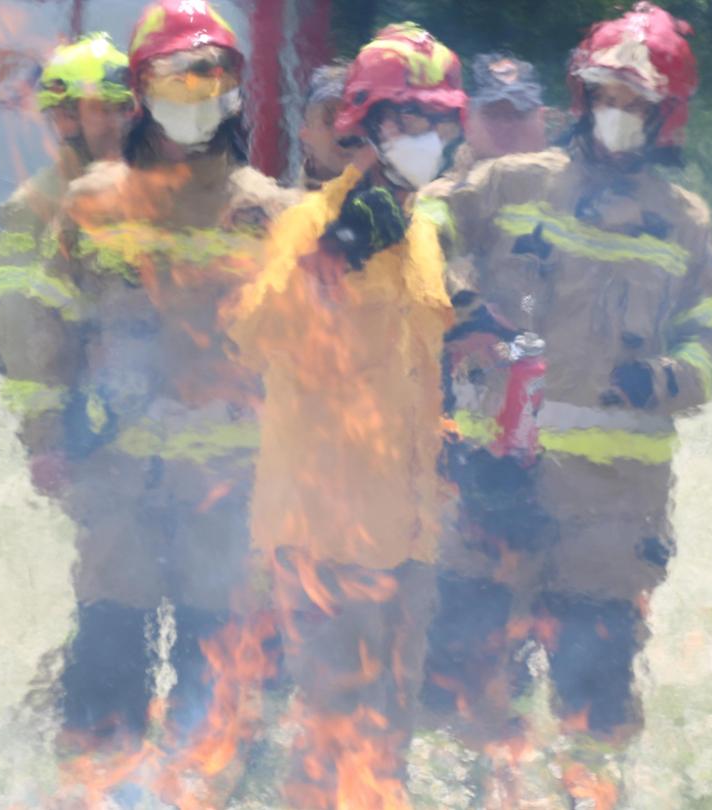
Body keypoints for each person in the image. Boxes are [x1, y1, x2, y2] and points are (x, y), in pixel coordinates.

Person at [417, 4, 712, 802]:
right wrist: (461, 304)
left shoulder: (686, 222)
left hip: (612, 516)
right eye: (606, 95)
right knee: (466, 686)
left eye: (637, 103)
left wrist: (666, 380)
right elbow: (423, 224)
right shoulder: (510, 182)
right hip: (495, 486)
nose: (618, 115)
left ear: (666, 114)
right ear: (581, 93)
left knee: (592, 704)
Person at [35, 0, 295, 773]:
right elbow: (51, 333)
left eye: (212, 76)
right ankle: (93, 779)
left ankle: (207, 780)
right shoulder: (92, 205)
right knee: (110, 641)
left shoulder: (273, 213)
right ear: (143, 90)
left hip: (229, 484)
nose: (197, 94)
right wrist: (48, 438)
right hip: (117, 478)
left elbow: (304, 356)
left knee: (215, 653)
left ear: (236, 90)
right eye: (178, 78)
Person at [226, 21, 461, 807]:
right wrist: (330, 262)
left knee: (388, 734)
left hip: (406, 530)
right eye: (406, 121)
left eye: (436, 122)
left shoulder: (422, 229)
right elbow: (256, 337)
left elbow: (405, 370)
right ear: (364, 122)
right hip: (325, 533)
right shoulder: (312, 221)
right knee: (330, 733)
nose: (424, 138)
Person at [0, 32, 137, 500]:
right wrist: (47, 438)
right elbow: (22, 335)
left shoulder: (149, 192)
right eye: (103, 109)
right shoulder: (31, 209)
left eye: (123, 107)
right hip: (85, 421)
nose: (119, 122)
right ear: (64, 117)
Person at [296, 61, 356, 190]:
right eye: (329, 120)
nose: (344, 133)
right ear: (305, 133)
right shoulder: (277, 205)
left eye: (353, 119)